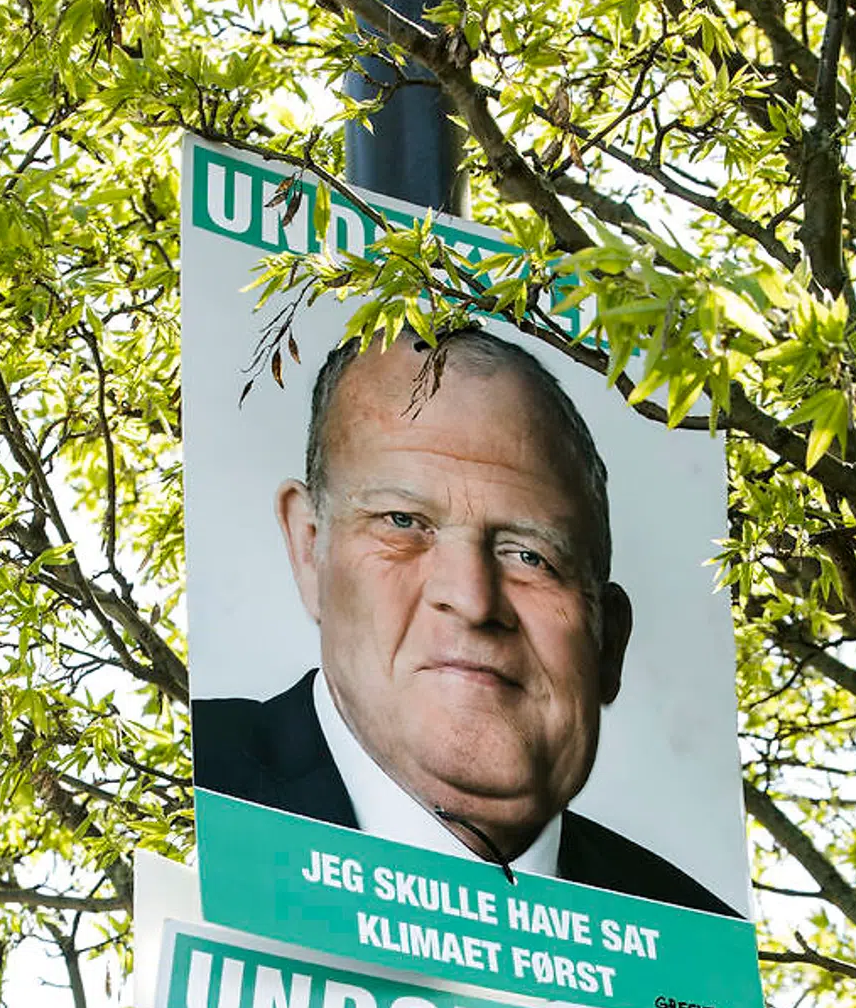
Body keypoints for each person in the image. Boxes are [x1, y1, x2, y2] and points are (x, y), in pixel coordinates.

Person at [192, 327, 736, 916]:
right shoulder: (170, 795)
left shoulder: (695, 941)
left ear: (609, 643)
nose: (474, 601)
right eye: (402, 522)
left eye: (532, 556)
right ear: (309, 549)